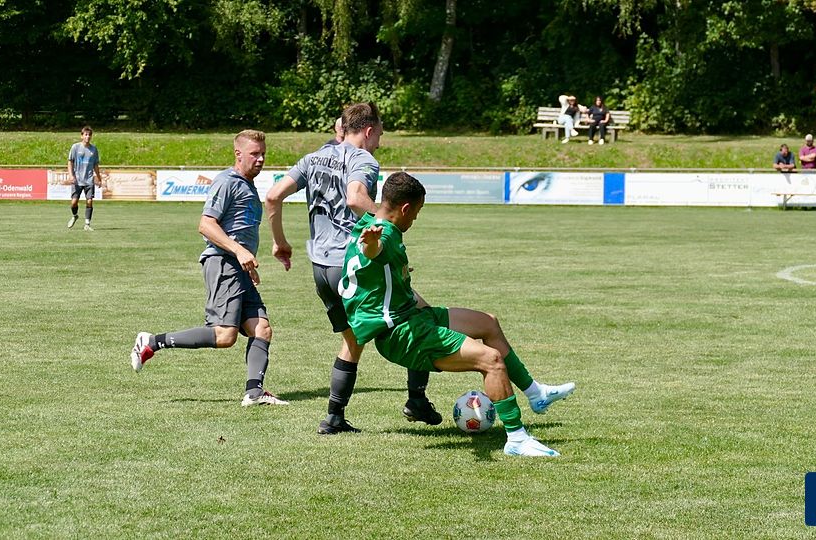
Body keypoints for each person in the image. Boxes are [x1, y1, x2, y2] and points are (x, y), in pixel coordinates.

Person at [339, 172, 576, 457]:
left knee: (488, 323)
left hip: (413, 315)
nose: (415, 219)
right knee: (491, 361)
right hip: (401, 333)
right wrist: (372, 245)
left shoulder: (369, 221)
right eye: (417, 212)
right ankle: (516, 438)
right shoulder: (384, 234)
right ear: (405, 208)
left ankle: (536, 394)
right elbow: (373, 251)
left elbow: (372, 256)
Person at [265, 103, 441, 435]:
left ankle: (334, 417)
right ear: (369, 131)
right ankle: (416, 399)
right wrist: (388, 234)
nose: (379, 143)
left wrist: (280, 243)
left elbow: (273, 196)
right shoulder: (364, 160)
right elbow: (355, 197)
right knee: (420, 315)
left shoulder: (314, 158)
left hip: (321, 268)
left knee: (352, 338)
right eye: (380, 135)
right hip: (352, 265)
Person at [130, 130, 288, 407]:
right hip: (223, 263)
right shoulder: (226, 182)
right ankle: (151, 342)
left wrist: (247, 262)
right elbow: (206, 224)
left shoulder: (248, 185)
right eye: (254, 154)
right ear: (238, 154)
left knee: (261, 329)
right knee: (225, 335)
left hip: (239, 267)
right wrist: (239, 251)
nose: (261, 159)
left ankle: (254, 393)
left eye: (263, 154)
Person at [67, 126, 102, 231]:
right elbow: (70, 161)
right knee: (74, 202)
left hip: (89, 180)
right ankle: (75, 216)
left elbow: (95, 165)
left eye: (89, 135)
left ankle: (87, 224)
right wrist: (71, 175)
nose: (88, 136)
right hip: (77, 180)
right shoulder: (75, 147)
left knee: (89, 201)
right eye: (86, 134)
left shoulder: (94, 149)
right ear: (82, 136)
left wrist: (99, 178)